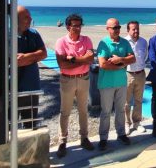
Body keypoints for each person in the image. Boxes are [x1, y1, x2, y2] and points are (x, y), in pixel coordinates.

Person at [54, 13, 95, 157]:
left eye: (79, 25)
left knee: (83, 111)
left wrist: (73, 59)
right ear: (67, 27)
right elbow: (62, 63)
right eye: (74, 26)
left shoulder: (87, 40)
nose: (77, 28)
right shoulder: (61, 42)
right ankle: (62, 141)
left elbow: (90, 59)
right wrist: (81, 59)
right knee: (65, 112)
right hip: (67, 80)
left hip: (83, 79)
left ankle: (84, 138)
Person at [97, 18, 136, 151]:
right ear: (107, 29)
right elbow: (103, 64)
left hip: (121, 83)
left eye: (118, 27)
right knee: (106, 112)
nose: (117, 29)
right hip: (106, 84)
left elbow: (133, 58)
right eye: (114, 27)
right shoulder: (103, 43)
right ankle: (103, 138)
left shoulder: (125, 42)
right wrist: (122, 65)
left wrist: (120, 59)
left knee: (120, 110)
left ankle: (121, 134)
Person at [17, 6, 47, 129]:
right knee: (7, 127)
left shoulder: (33, 34)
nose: (30, 19)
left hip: (31, 88)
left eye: (30, 17)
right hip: (9, 90)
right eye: (26, 17)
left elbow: (43, 53)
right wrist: (33, 57)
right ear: (15, 19)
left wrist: (26, 57)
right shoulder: (5, 35)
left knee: (30, 125)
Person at [124, 21, 149, 135]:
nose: (136, 31)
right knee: (126, 102)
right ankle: (126, 124)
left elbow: (145, 56)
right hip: (128, 74)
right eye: (133, 29)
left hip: (140, 74)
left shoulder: (143, 42)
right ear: (128, 30)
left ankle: (137, 123)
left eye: (137, 28)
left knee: (138, 101)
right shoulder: (124, 42)